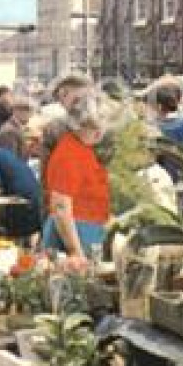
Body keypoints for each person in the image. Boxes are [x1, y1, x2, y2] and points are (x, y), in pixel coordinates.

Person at [42, 106, 111, 260]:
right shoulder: (69, 154)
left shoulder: (82, 148)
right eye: (93, 128)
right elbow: (61, 208)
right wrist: (76, 252)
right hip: (74, 236)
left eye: (101, 127)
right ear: (77, 126)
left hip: (86, 232)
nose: (100, 133)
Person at [0, 139, 43, 242]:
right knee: (28, 234)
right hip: (34, 194)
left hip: (21, 198)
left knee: (15, 238)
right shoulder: (1, 153)